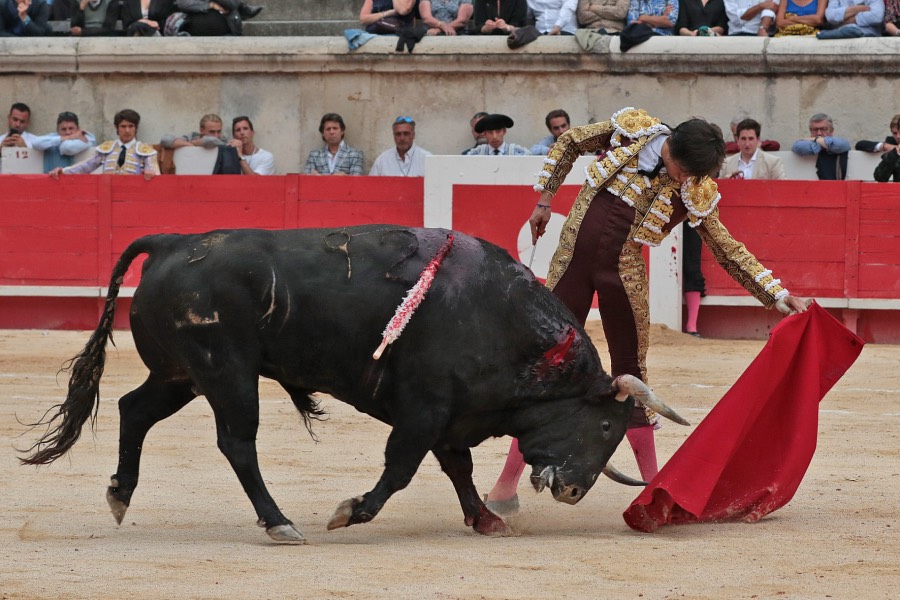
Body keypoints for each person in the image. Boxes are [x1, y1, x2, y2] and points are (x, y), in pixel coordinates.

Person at [483, 107, 810, 510]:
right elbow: (570, 141)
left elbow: (726, 248)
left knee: (632, 375)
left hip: (624, 274)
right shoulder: (631, 132)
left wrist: (775, 295)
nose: (685, 182)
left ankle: (652, 489)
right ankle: (504, 486)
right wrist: (545, 200)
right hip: (571, 260)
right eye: (683, 172)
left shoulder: (694, 189)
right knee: (547, 366)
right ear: (671, 151)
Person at [49, 109, 159, 180]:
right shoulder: (107, 149)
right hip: (108, 196)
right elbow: (85, 166)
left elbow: (155, 174)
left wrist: (151, 173)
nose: (127, 130)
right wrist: (63, 171)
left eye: (131, 126)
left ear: (136, 128)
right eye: (123, 126)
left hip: (134, 198)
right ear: (117, 127)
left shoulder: (146, 151)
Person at [720, 118, 786, 179]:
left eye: (751, 139)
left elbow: (782, 188)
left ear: (758, 139)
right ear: (737, 139)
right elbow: (718, 190)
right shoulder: (726, 163)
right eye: (743, 138)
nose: (747, 143)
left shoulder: (773, 162)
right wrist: (726, 182)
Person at [791, 112, 851, 180]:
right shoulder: (804, 143)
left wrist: (816, 139)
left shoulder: (839, 141)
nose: (819, 133)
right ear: (810, 131)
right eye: (815, 129)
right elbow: (797, 146)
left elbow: (842, 145)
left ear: (831, 131)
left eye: (823, 129)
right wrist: (824, 144)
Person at [32, 111, 97, 172]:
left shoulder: (86, 136)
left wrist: (66, 138)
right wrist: (69, 137)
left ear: (78, 129)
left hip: (78, 181)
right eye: (63, 129)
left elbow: (67, 148)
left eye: (71, 128)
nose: (67, 132)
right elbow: (35, 143)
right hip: (51, 181)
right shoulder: (55, 136)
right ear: (57, 130)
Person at [173, 0, 263, 36]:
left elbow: (231, 4)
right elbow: (183, 3)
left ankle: (242, 7)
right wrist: (211, 5)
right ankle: (243, 8)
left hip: (227, 32)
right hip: (195, 31)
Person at [463, 113, 531, 155]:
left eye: (498, 131)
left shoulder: (518, 153)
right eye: (490, 132)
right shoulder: (476, 153)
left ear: (504, 131)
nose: (494, 136)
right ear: (485, 134)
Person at [160, 113, 230, 149]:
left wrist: (194, 143)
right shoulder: (192, 136)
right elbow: (165, 140)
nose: (216, 135)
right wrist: (192, 144)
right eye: (212, 132)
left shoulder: (222, 140)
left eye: (219, 131)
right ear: (201, 130)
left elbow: (212, 141)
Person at [816, 0, 883, 38]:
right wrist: (857, 9)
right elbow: (830, 16)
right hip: (842, 35)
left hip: (867, 35)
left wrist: (847, 20)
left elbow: (877, 16)